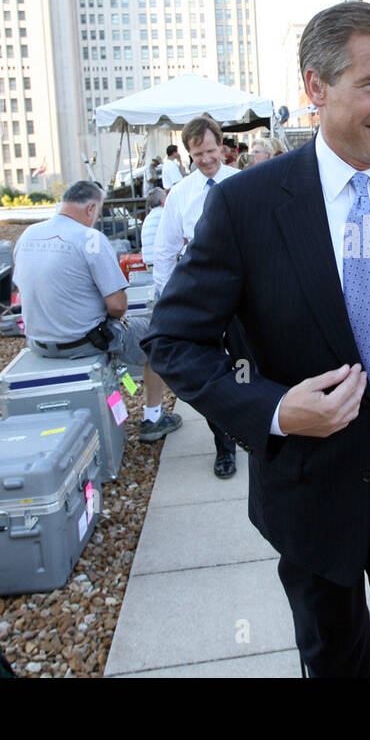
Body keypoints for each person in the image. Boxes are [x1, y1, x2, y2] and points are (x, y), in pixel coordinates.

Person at [143, 0, 370, 677]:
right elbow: (175, 341)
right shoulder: (246, 207)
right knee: (334, 661)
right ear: (316, 88)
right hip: (310, 492)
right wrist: (272, 410)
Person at [12, 180, 182, 444]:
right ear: (91, 207)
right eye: (100, 211)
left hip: (38, 341)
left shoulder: (29, 234)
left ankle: (123, 404)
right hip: (82, 341)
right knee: (158, 338)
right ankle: (153, 417)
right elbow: (118, 306)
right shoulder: (90, 239)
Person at [151, 115, 240, 478]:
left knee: (258, 363)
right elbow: (164, 250)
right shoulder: (181, 196)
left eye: (209, 151)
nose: (205, 160)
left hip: (247, 293)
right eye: (197, 154)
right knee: (213, 374)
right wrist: (166, 298)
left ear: (222, 145)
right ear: (188, 154)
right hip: (204, 298)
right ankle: (225, 446)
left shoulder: (244, 183)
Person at [140, 186, 166, 267]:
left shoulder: (149, 217)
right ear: (162, 200)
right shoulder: (163, 214)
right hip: (160, 263)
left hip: (149, 262)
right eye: (166, 196)